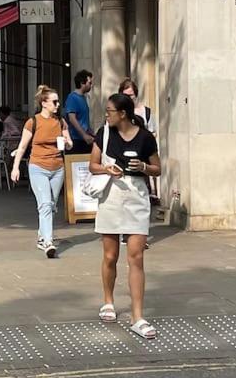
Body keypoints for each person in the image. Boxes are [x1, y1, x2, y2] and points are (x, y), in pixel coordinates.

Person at [89, 93, 162, 339]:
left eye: (109, 111)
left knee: (136, 257)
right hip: (111, 195)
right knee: (110, 255)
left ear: (123, 113)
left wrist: (143, 167)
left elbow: (158, 169)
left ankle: (138, 317)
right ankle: (108, 300)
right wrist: (106, 168)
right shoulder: (104, 133)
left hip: (137, 197)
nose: (106, 115)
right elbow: (93, 165)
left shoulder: (145, 137)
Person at [11, 85, 72, 259]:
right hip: (38, 166)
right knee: (45, 204)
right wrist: (15, 167)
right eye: (54, 101)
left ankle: (41, 235)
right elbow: (22, 146)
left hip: (58, 167)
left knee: (52, 205)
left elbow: (70, 143)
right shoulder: (33, 122)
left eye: (58, 101)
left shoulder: (61, 121)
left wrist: (66, 143)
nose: (58, 104)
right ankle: (48, 242)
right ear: (44, 103)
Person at [65, 69, 94, 154]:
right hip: (76, 140)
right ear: (82, 83)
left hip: (84, 140)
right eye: (89, 83)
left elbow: (83, 120)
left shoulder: (83, 98)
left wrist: (90, 132)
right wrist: (84, 135)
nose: (91, 86)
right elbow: (72, 119)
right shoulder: (72, 97)